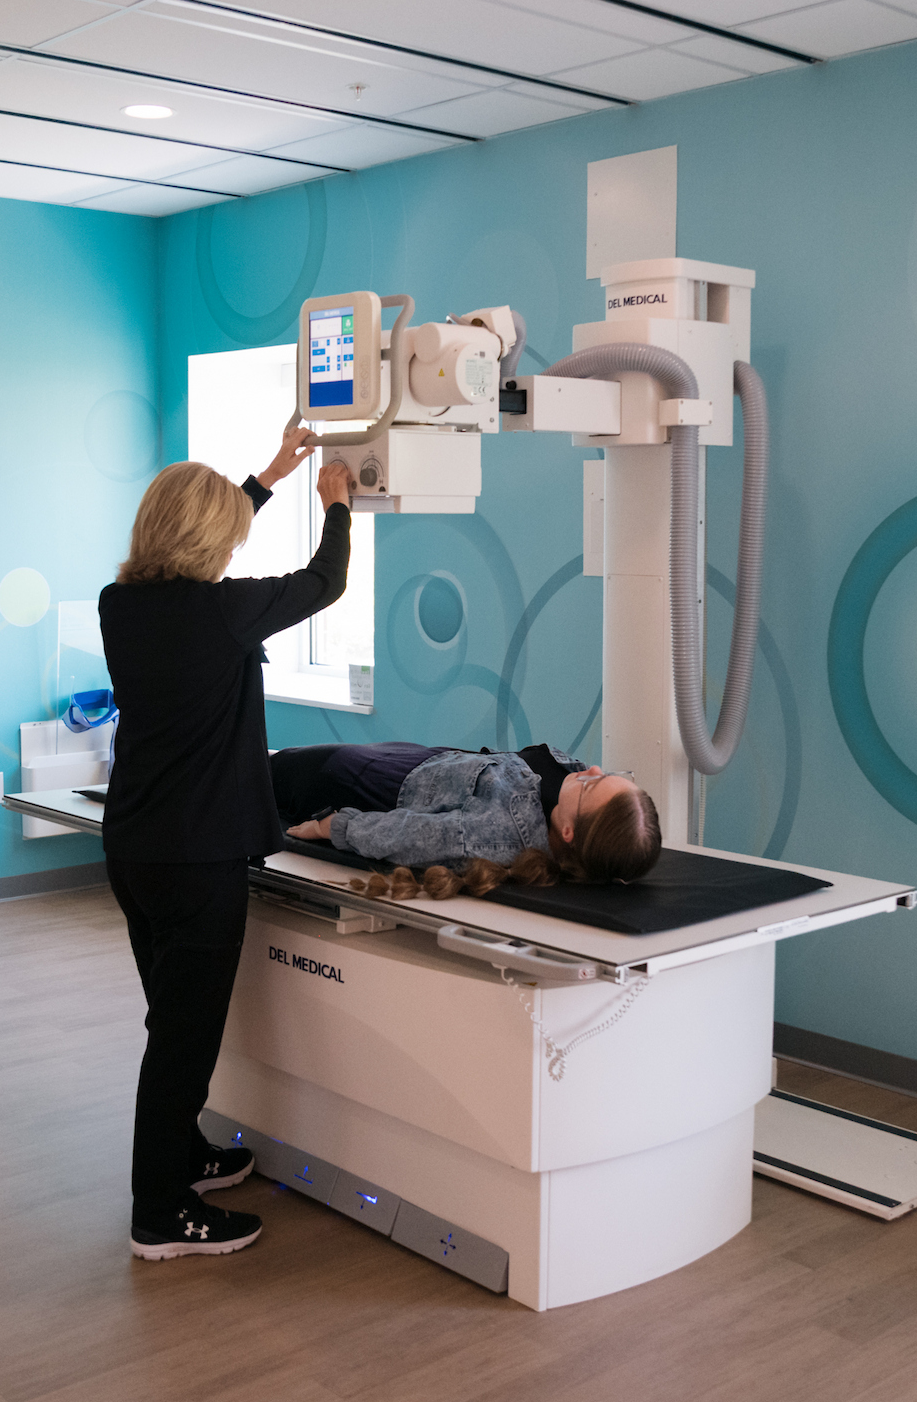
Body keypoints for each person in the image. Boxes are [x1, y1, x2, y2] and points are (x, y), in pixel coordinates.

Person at [99, 427, 351, 1263]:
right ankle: (161, 1212)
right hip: (196, 858)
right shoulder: (222, 611)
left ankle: (188, 1157)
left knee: (169, 1018)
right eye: (232, 531)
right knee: (182, 1039)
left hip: (134, 848)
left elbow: (200, 534)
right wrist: (336, 503)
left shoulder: (121, 604)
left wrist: (267, 477)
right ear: (212, 541)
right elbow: (325, 580)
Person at [275, 740, 661, 898]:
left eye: (594, 785)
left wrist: (333, 826)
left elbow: (410, 836)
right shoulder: (568, 793)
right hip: (423, 758)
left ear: (568, 831)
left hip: (368, 783)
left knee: (268, 769)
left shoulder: (494, 836)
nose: (591, 768)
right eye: (607, 775)